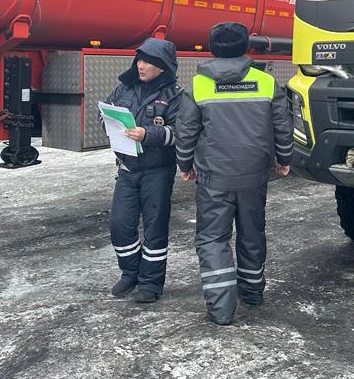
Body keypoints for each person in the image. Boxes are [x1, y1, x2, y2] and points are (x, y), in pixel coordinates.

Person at [175, 22, 292, 325]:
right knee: (252, 232)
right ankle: (252, 292)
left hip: (215, 176)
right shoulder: (265, 82)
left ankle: (221, 309)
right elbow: (282, 124)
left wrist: (185, 164)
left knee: (213, 239)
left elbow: (186, 131)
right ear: (245, 47)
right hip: (254, 173)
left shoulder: (199, 84)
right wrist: (284, 158)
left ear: (213, 48)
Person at [103, 37, 181, 304]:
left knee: (155, 227)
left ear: (162, 66)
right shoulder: (123, 89)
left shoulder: (174, 95)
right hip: (127, 169)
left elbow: (181, 133)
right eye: (140, 59)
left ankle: (151, 283)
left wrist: (149, 133)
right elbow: (106, 116)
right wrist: (109, 124)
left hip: (157, 171)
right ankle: (130, 273)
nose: (141, 65)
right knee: (120, 225)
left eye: (148, 61)